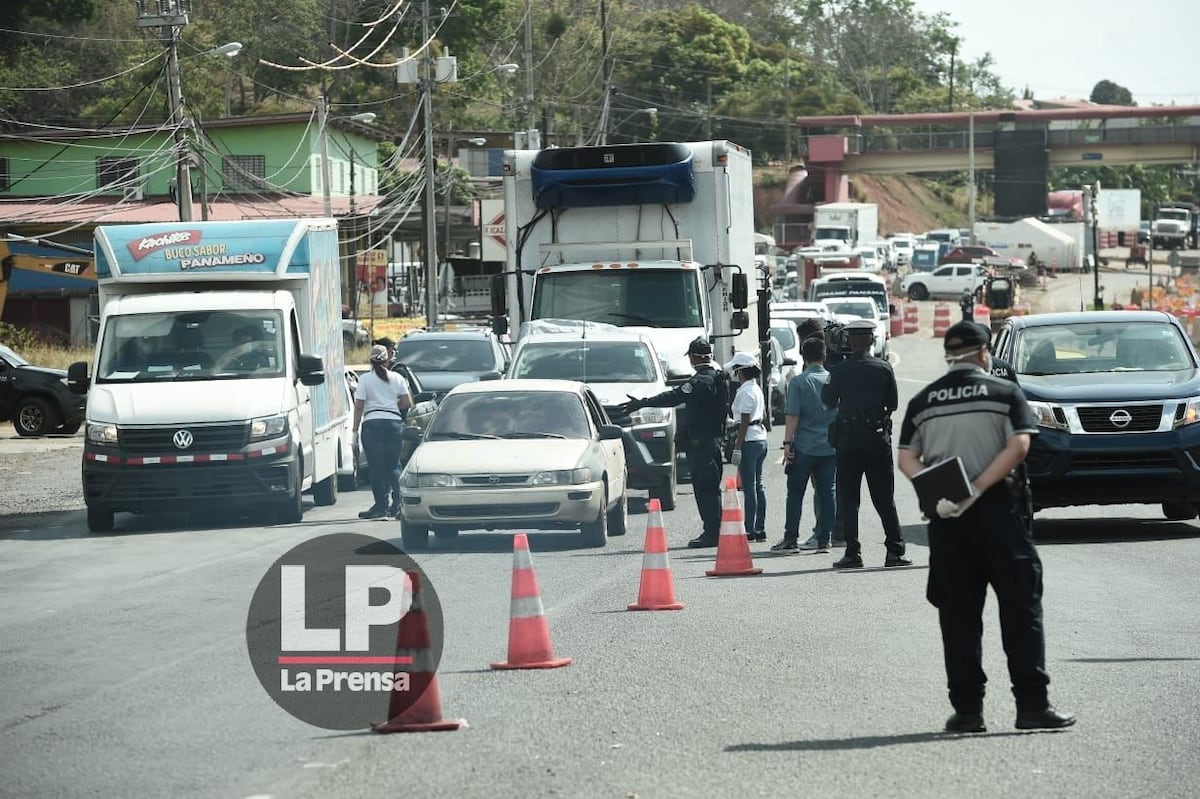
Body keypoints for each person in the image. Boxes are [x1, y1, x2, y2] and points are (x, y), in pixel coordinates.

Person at [896, 320, 1075, 733]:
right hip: (1000, 514)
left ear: (948, 355)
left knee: (958, 618)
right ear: (983, 353)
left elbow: (906, 458)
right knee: (1020, 611)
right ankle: (1032, 707)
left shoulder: (924, 400)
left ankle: (967, 712)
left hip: (947, 520)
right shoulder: (1005, 392)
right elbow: (1020, 445)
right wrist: (976, 488)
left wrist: (943, 491)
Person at [618, 337, 727, 548]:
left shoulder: (699, 382)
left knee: (705, 489)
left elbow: (674, 397)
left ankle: (712, 532)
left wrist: (643, 403)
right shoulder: (719, 377)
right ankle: (717, 528)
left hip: (701, 443)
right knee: (712, 488)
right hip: (713, 440)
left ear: (694, 358)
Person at [822, 319, 910, 568]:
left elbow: (827, 400)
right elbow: (892, 403)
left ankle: (853, 552)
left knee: (849, 499)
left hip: (849, 440)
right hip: (876, 438)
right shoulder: (883, 367)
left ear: (849, 341)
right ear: (872, 340)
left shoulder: (839, 370)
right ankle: (894, 551)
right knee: (885, 498)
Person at [774, 337, 838, 554]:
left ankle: (791, 538)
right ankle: (824, 539)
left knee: (795, 493)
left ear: (803, 356)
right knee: (827, 492)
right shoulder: (832, 380)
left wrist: (787, 444)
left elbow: (793, 415)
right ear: (824, 356)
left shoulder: (799, 382)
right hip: (829, 446)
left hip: (804, 445)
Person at [353, 344, 413, 520]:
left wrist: (355, 431)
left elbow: (359, 406)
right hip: (394, 423)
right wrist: (392, 407)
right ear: (387, 359)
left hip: (372, 424)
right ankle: (399, 504)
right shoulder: (397, 378)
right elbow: (406, 403)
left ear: (370, 360)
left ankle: (381, 507)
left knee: (377, 467)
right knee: (393, 466)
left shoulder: (365, 379)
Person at [725, 351, 768, 542]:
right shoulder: (756, 388)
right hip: (761, 438)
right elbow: (763, 415)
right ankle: (760, 528)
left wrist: (737, 447)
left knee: (749, 487)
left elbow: (743, 422)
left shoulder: (744, 391)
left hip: (749, 440)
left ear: (741, 371)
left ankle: (750, 528)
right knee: (758, 485)